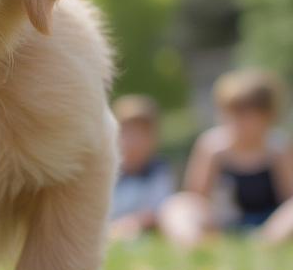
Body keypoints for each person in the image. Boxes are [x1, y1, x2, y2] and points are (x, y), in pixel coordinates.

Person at [160, 69, 293, 247]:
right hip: (222, 224)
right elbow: (197, 198)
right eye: (234, 113)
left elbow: (288, 199)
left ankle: (266, 244)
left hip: (268, 223)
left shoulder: (278, 148)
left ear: (267, 116)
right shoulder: (213, 147)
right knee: (177, 205)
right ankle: (194, 245)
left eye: (248, 114)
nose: (240, 122)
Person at [109, 95, 175, 240]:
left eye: (141, 134)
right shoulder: (107, 172)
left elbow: (159, 208)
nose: (134, 141)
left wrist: (133, 223)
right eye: (128, 133)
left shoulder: (157, 170)